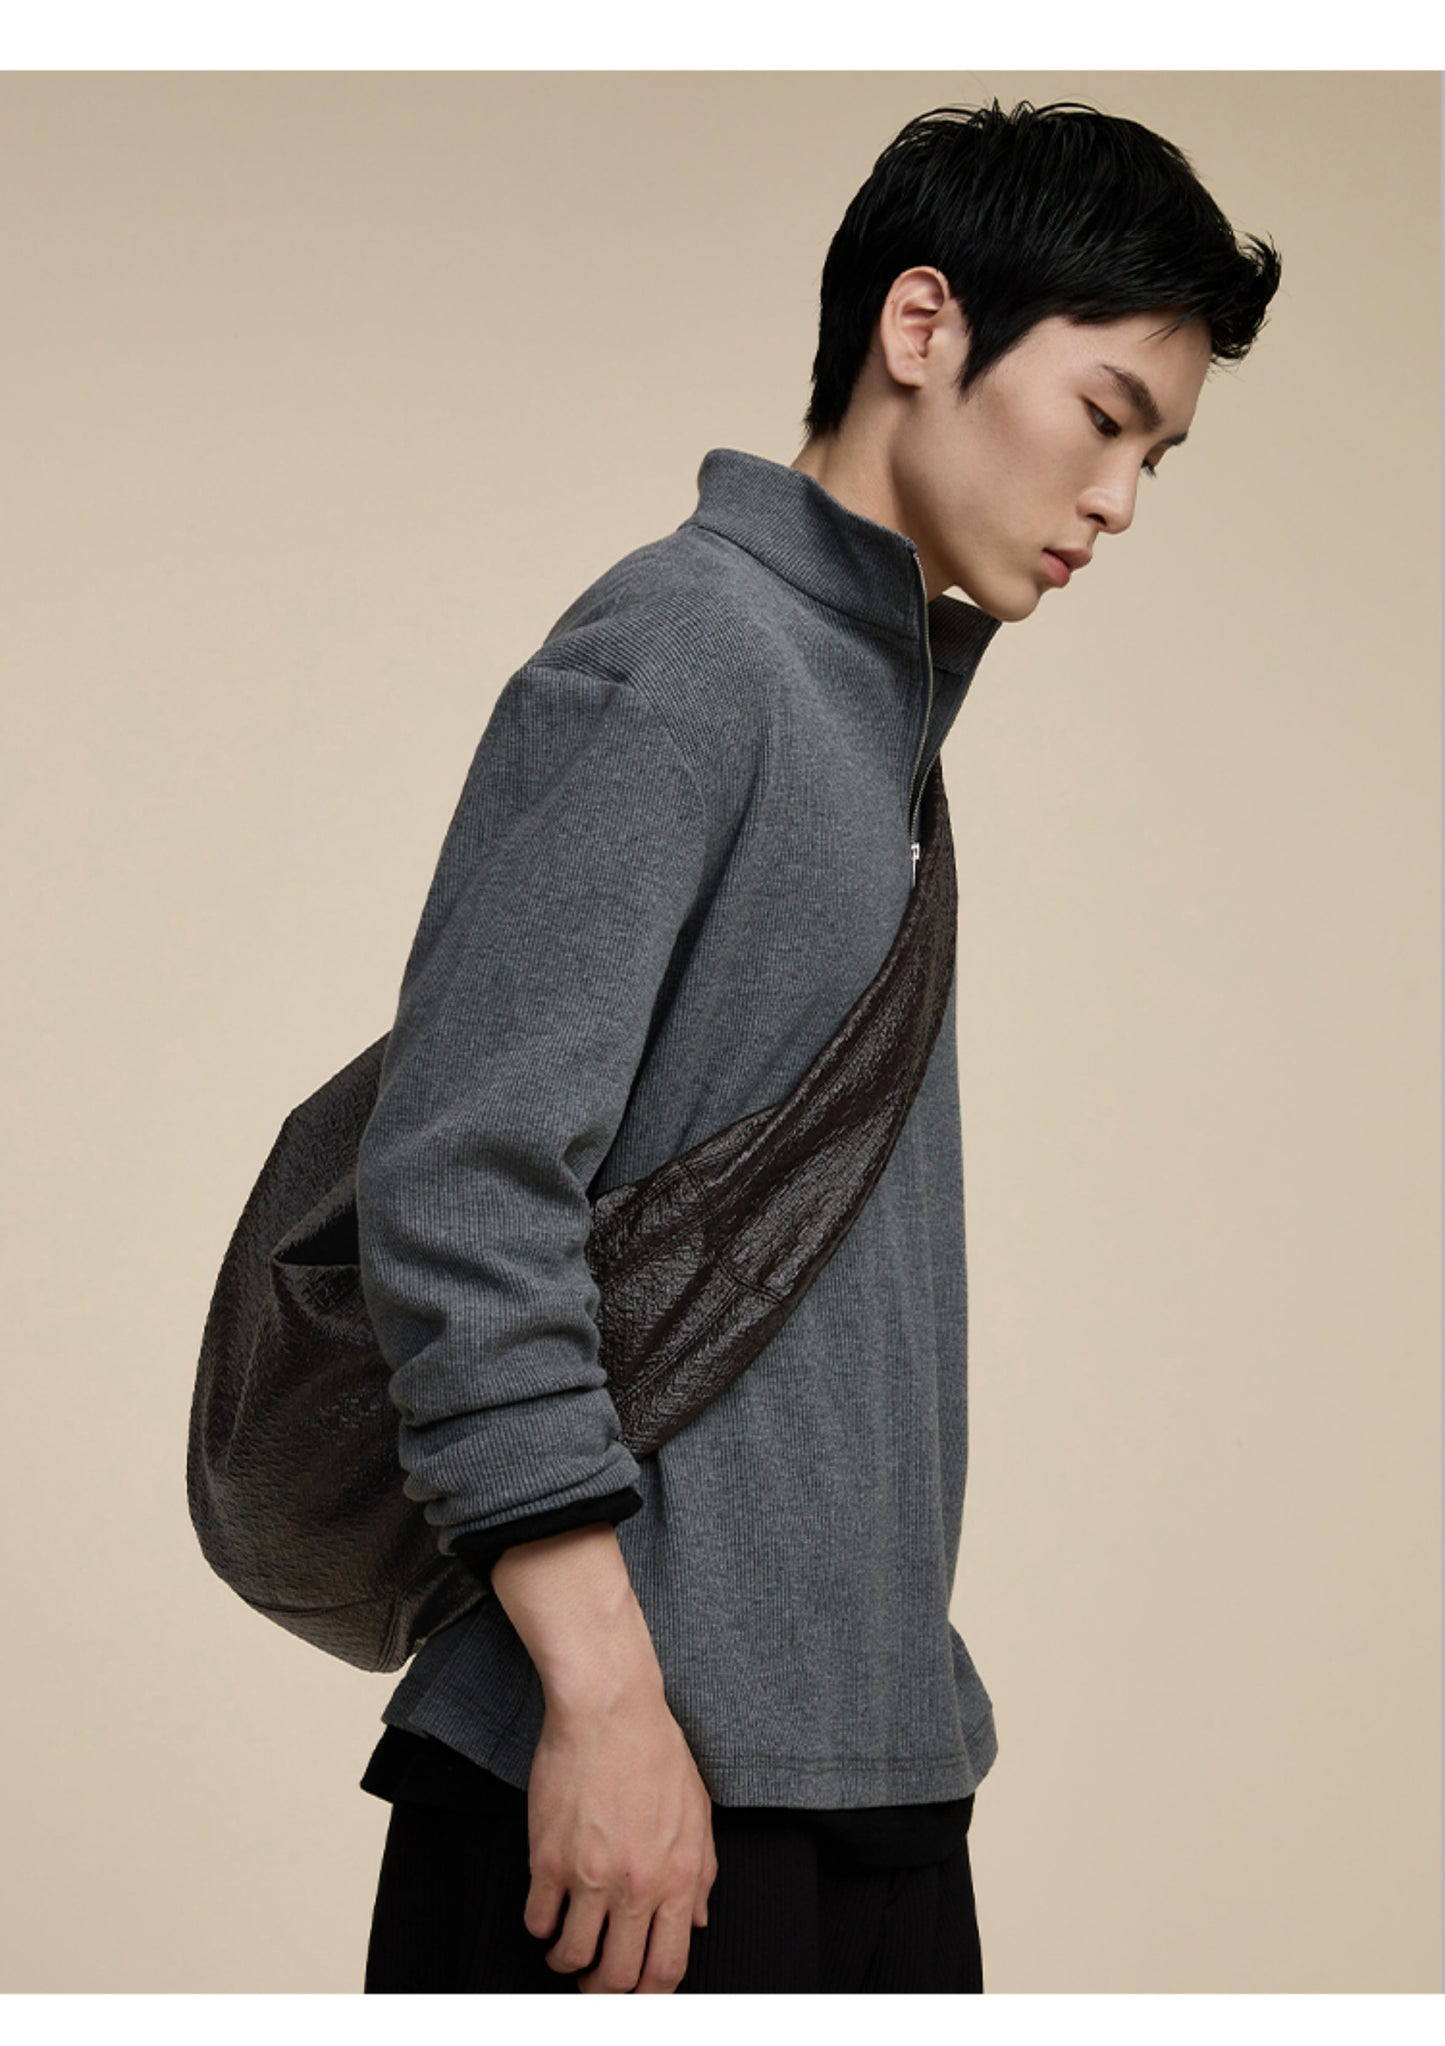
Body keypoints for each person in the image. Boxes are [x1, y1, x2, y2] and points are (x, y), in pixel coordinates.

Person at [354, 96, 1281, 1995]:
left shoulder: (872, 710)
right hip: (637, 1800)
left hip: (860, 1763)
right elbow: (458, 1182)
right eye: (1105, 417)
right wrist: (608, 1703)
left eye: (1157, 457)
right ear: (920, 326)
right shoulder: (689, 653)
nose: (1119, 499)